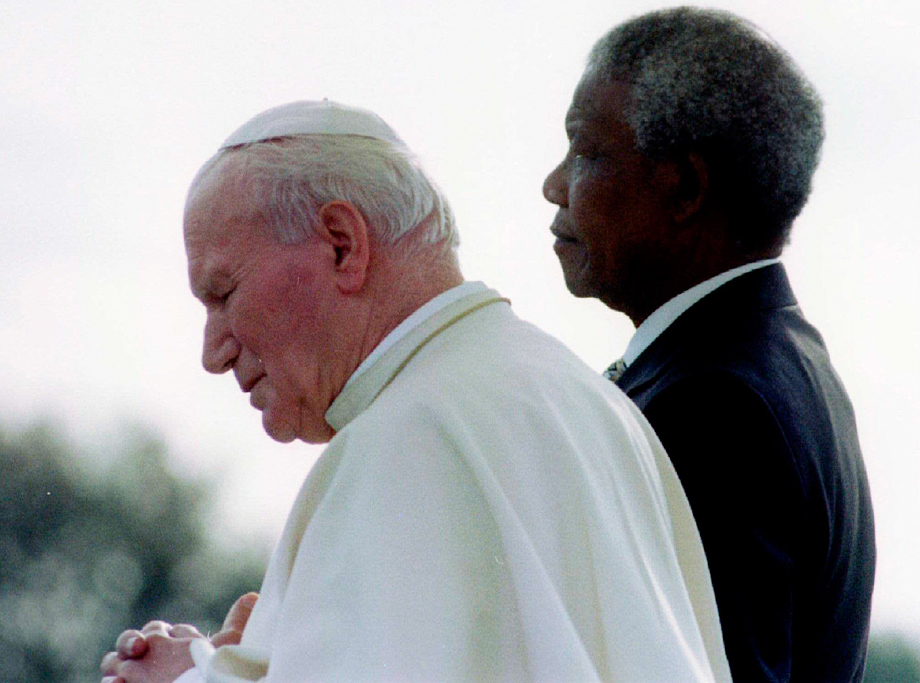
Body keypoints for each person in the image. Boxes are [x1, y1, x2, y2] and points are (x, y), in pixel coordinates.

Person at [101, 100, 732, 682]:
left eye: (224, 293)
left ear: (341, 244)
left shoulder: (410, 438)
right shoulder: (589, 400)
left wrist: (190, 678)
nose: (214, 353)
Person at [542, 7, 875, 682]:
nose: (554, 185)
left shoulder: (714, 405)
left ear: (687, 188)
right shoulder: (778, 363)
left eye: (586, 151)